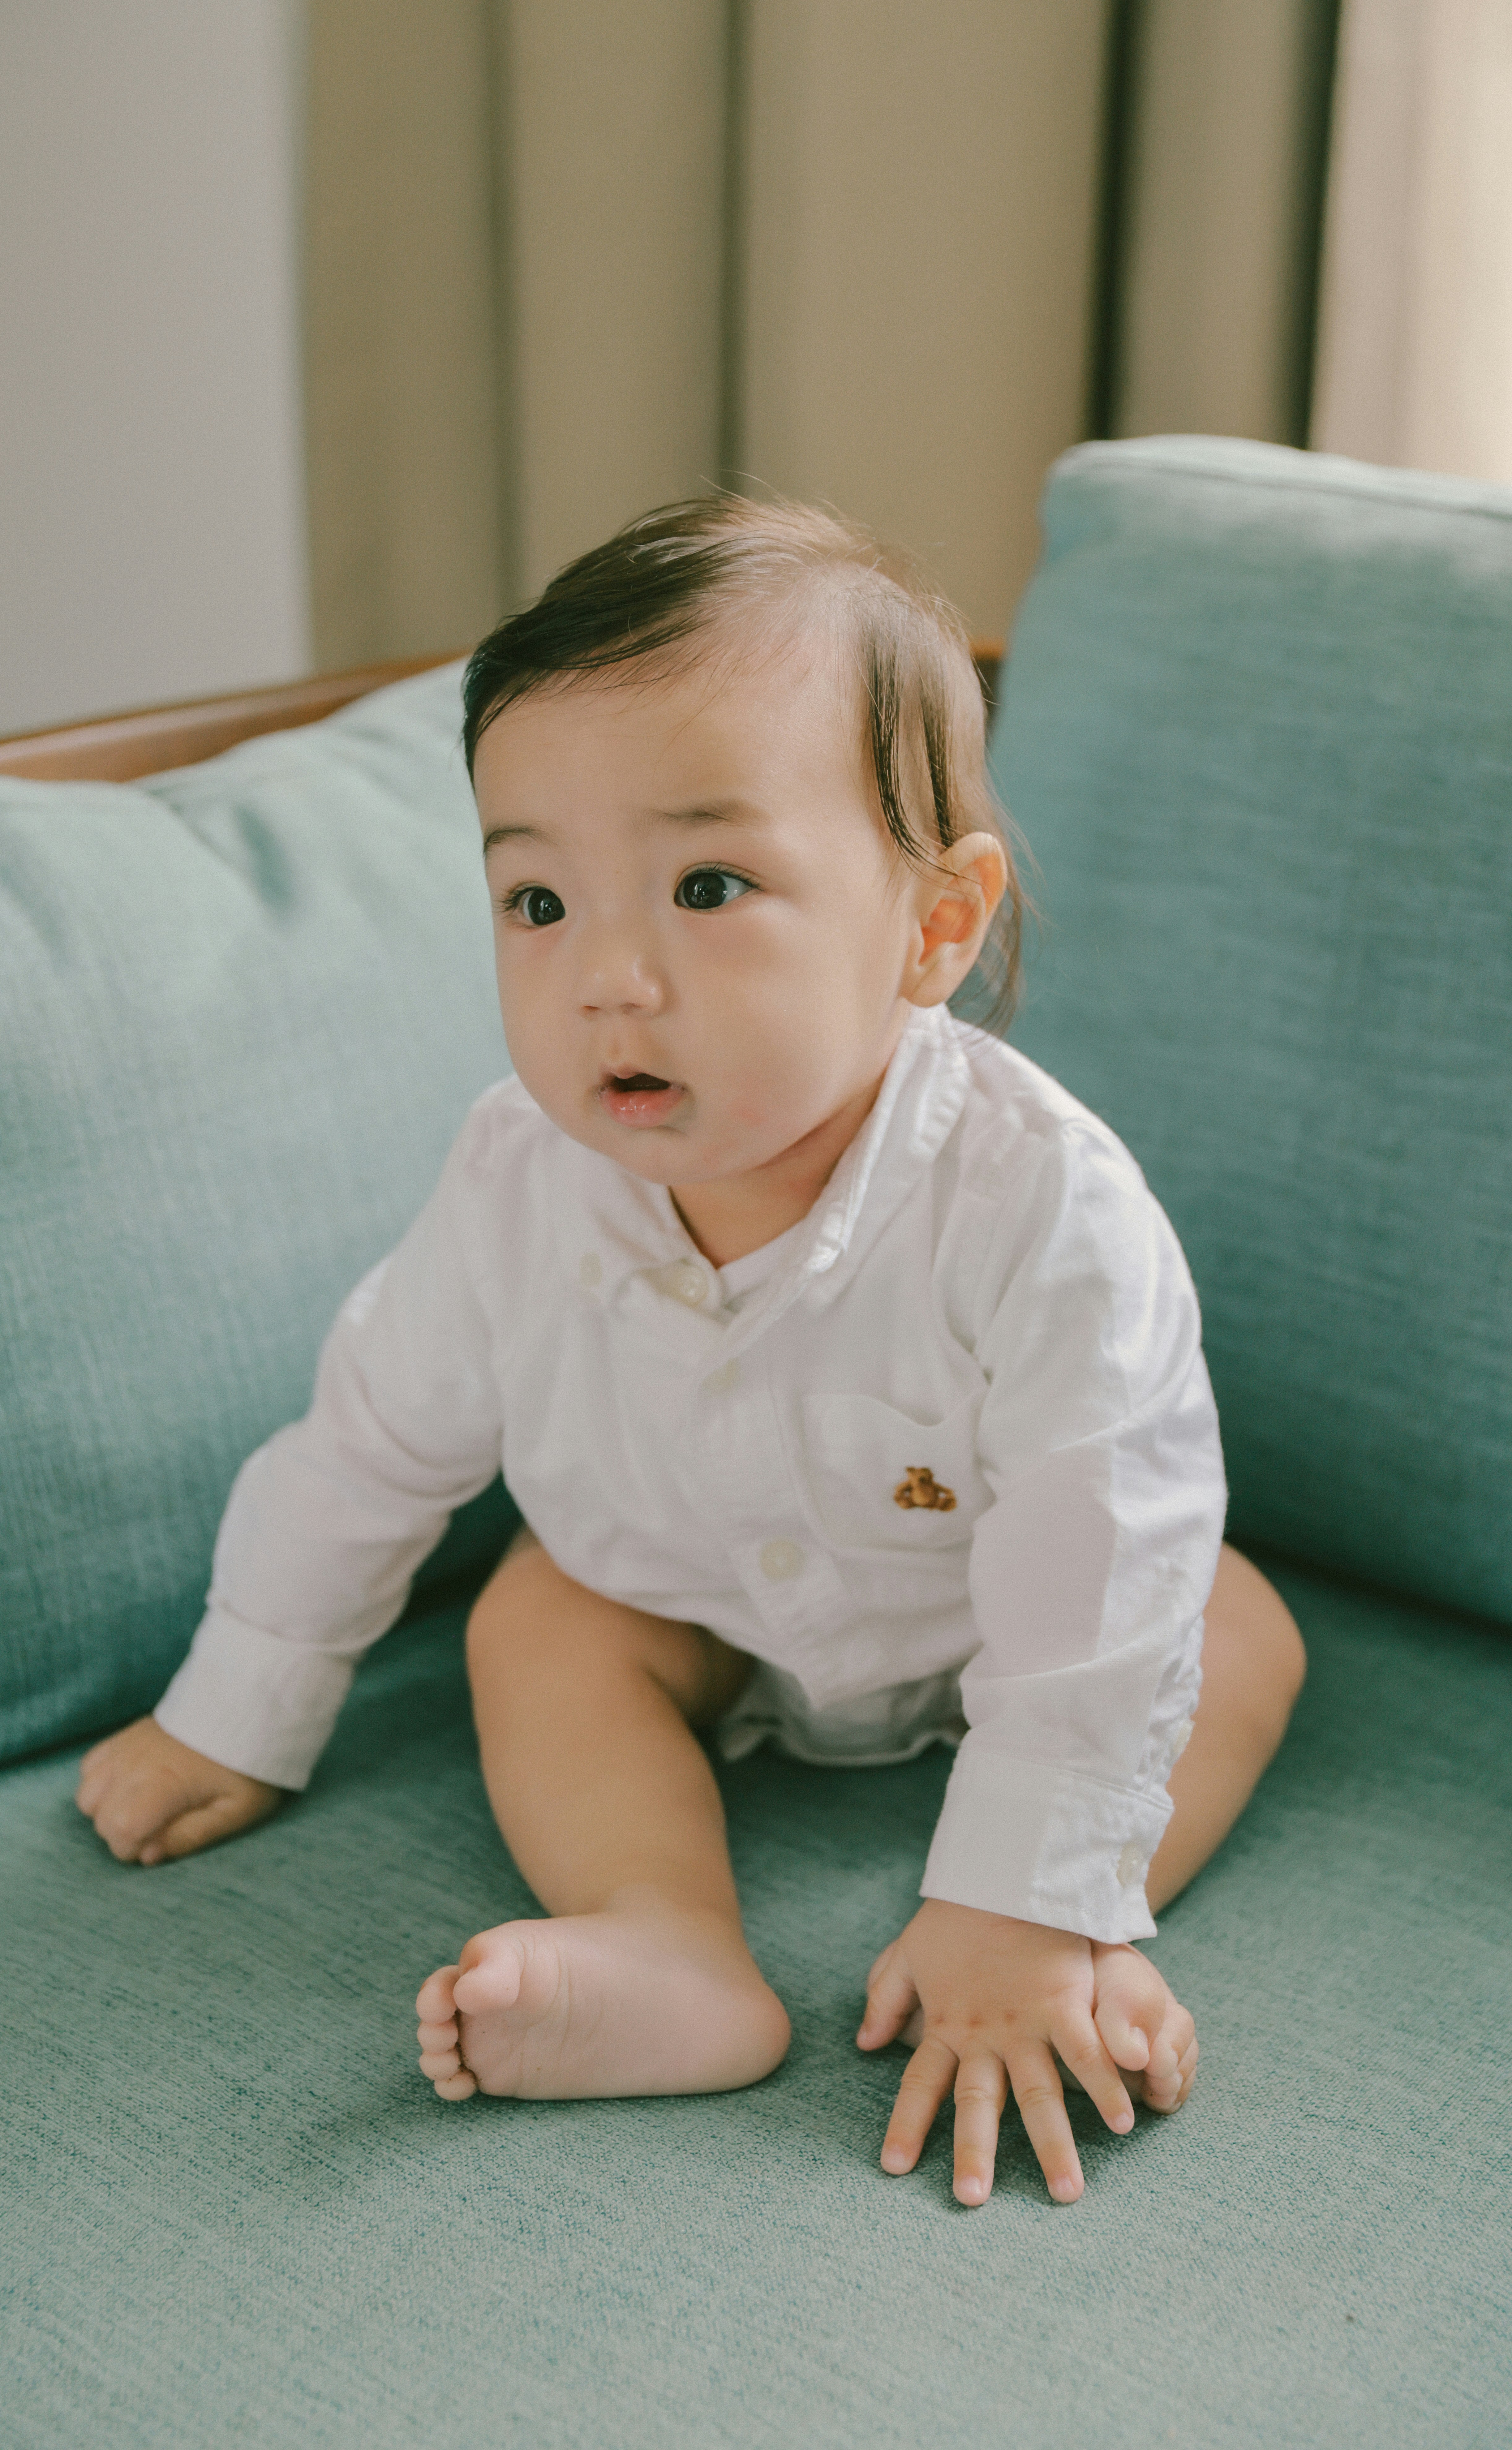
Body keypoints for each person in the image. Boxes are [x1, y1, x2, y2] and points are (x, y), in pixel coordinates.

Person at [77, 498, 1306, 2208]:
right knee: (540, 1618)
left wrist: (1033, 1892)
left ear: (933, 928)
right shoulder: (517, 1177)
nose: (608, 978)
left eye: (708, 885)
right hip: (683, 1603)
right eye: (536, 901)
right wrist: (241, 1706)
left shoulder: (1041, 1208)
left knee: (1223, 1627)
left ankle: (1041, 1932)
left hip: (988, 1607)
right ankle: (663, 1944)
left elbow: (1102, 1548)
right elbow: (373, 1440)